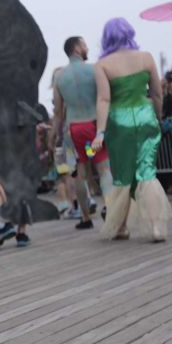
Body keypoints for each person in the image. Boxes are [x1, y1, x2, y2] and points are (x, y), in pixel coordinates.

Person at [92, 17, 172, 242]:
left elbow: (104, 99)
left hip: (120, 122)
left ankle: (121, 227)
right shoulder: (145, 57)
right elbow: (157, 93)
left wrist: (100, 132)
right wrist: (157, 116)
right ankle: (157, 227)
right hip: (145, 116)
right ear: (130, 33)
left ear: (106, 38)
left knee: (123, 175)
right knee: (147, 172)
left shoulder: (102, 65)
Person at [54, 36, 114, 230]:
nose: (87, 47)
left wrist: (55, 135)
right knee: (103, 167)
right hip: (93, 125)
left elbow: (57, 112)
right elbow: (104, 97)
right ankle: (110, 208)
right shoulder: (93, 69)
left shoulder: (60, 77)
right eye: (84, 44)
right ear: (77, 48)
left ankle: (86, 217)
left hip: (74, 130)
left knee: (80, 171)